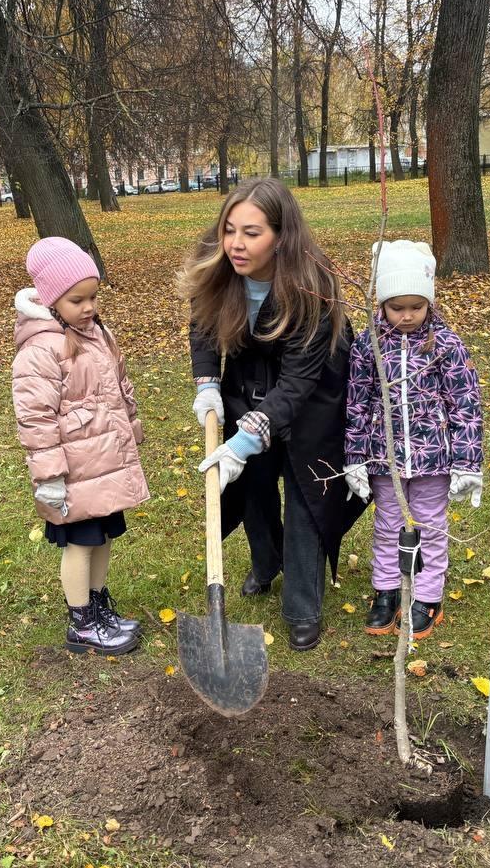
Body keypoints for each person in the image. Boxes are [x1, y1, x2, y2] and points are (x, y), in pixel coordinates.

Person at [180, 178, 363, 652]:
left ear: (281, 237)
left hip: (314, 400)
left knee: (304, 499)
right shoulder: (219, 267)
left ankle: (302, 606)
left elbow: (299, 382)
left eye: (252, 232)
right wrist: (207, 384)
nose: (236, 244)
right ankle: (266, 563)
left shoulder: (312, 286)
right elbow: (203, 325)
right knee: (252, 487)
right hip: (247, 386)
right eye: (230, 229)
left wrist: (242, 442)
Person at [11, 236, 150, 655]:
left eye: (93, 297)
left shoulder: (97, 333)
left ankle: (98, 606)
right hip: (73, 472)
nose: (88, 307)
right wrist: (50, 476)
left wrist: (131, 426)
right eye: (77, 300)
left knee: (104, 536)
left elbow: (120, 387)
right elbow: (35, 418)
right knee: (81, 543)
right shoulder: (40, 349)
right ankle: (81, 623)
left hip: (104, 463)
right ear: (51, 299)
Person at [343, 240, 484, 639]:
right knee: (388, 524)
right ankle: (386, 591)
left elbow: (465, 403)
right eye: (397, 307)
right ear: (382, 304)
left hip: (433, 459)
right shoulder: (368, 345)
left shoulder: (446, 345)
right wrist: (355, 457)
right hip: (384, 458)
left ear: (429, 302)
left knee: (430, 526)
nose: (407, 316)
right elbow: (357, 402)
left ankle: (427, 596)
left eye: (416, 307)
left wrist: (467, 463)